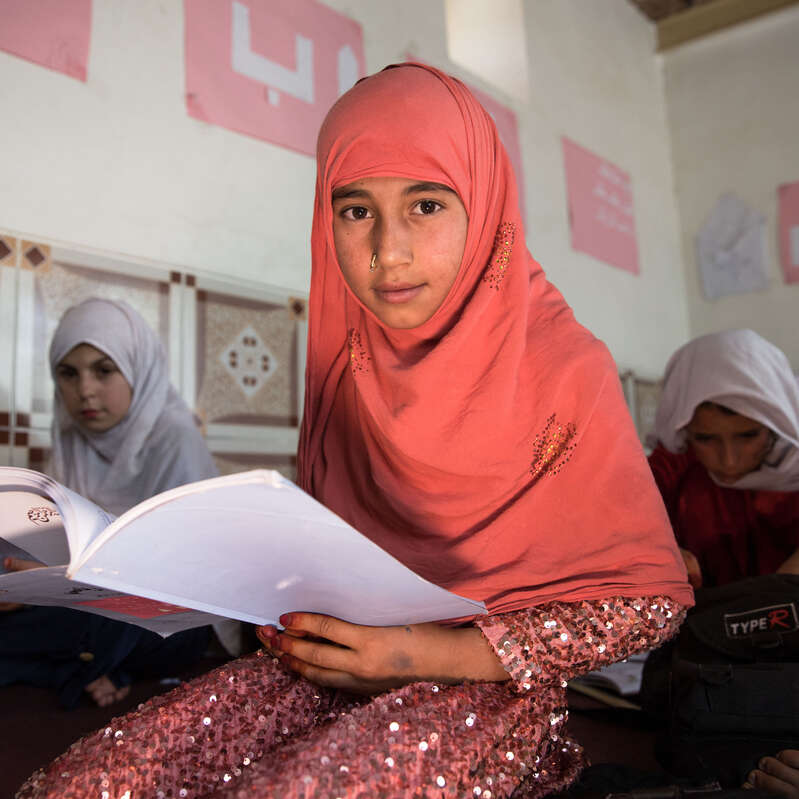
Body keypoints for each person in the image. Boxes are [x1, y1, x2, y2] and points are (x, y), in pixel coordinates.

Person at [16, 63, 692, 799]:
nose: (387, 252)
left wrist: (429, 652)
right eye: (355, 209)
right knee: (93, 780)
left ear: (486, 204)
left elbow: (647, 602)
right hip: (327, 669)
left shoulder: (565, 369)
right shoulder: (348, 367)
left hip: (483, 693)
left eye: (426, 205)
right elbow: (326, 559)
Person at [0, 298, 218, 708]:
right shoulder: (70, 435)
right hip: (81, 604)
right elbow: (56, 539)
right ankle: (88, 669)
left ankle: (76, 667)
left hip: (166, 616)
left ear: (137, 367)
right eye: (68, 374)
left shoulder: (174, 437)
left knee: (112, 623)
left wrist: (83, 580)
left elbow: (198, 572)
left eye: (104, 370)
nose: (84, 390)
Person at [649, 329, 799, 588]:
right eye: (705, 439)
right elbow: (619, 521)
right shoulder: (672, 469)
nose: (729, 461)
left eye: (749, 435)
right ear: (683, 431)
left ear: (777, 426)